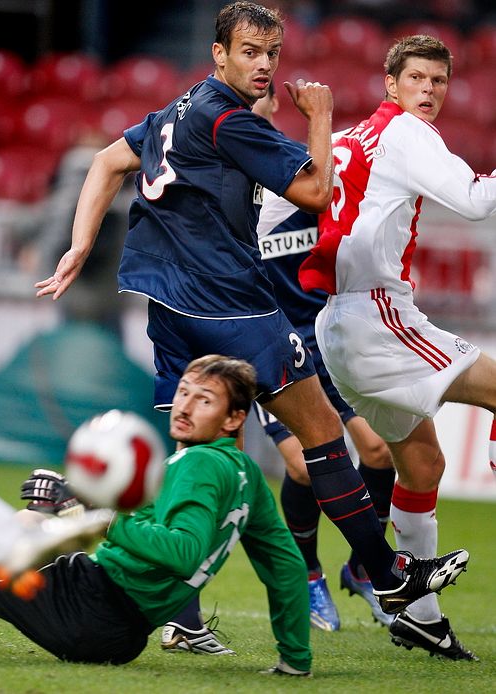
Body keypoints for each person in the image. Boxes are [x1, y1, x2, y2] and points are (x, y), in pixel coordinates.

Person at [34, 0, 469, 636]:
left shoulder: (176, 111)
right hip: (230, 305)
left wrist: (79, 243)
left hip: (166, 309)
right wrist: (319, 117)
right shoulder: (229, 122)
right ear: (219, 53)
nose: (264, 65)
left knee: (198, 457)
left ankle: (178, 612)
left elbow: (105, 162)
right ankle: (387, 576)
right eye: (249, 52)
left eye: (272, 53)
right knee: (323, 439)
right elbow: (318, 192)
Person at [299, 34, 494, 661]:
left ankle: (422, 620)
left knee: (423, 465)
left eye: (438, 81)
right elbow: (471, 202)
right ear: (392, 84)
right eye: (417, 78)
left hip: (338, 325)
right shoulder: (407, 134)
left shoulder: (351, 139)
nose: (429, 91)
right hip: (377, 316)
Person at [0, 355, 313, 676]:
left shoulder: (198, 462)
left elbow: (184, 553)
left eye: (204, 400)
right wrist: (295, 659)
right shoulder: (247, 474)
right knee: (27, 524)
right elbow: (285, 564)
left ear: (233, 419)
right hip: (118, 629)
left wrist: (96, 515)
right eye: (183, 392)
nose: (185, 407)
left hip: (89, 609)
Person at [251, 84, 395, 631]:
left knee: (379, 451)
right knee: (302, 468)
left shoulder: (300, 171)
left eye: (260, 105)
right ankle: (308, 575)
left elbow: (348, 227)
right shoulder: (230, 186)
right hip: (270, 338)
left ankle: (363, 566)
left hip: (329, 334)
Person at [0, 494, 112, 600]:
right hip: (100, 577)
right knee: (30, 517)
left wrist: (102, 518)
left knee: (16, 544)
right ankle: (16, 546)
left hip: (93, 596)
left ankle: (14, 548)